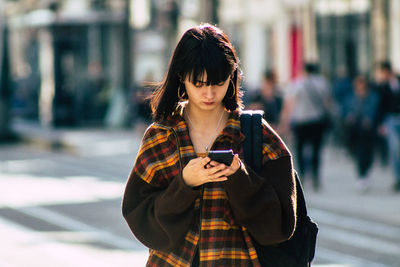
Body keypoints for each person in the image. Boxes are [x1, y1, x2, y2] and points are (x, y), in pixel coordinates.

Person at [122, 24, 296, 266]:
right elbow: (141, 219)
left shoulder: (258, 135)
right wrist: (185, 184)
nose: (210, 94)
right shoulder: (161, 136)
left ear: (232, 76)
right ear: (182, 77)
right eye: (199, 84)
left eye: (218, 82)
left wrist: (240, 178)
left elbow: (280, 227)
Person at [279, 62, 332, 191]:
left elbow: (289, 104)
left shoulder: (297, 83)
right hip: (317, 121)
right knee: (316, 150)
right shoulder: (323, 83)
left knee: (300, 149)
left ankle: (301, 175)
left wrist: (285, 121)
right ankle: (315, 177)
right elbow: (327, 103)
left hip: (300, 122)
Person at [343, 75, 380, 192]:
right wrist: (349, 117)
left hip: (368, 130)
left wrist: (369, 119)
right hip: (355, 130)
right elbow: (345, 110)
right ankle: (361, 175)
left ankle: (365, 173)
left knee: (368, 153)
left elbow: (375, 110)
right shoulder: (351, 97)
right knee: (359, 153)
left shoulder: (372, 97)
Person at [374, 61, 400, 192]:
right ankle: (397, 178)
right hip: (390, 119)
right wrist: (381, 124)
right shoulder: (381, 86)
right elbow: (380, 106)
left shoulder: (397, 81)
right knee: (394, 150)